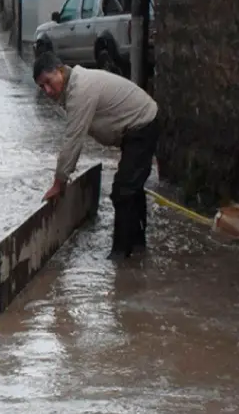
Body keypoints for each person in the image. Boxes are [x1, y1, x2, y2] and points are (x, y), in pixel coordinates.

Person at [34, 51, 161, 260]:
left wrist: (59, 182)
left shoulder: (80, 89)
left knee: (122, 191)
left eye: (48, 82)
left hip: (142, 125)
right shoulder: (73, 87)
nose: (47, 90)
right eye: (41, 87)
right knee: (132, 188)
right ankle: (138, 246)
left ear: (60, 71)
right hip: (137, 127)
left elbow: (73, 140)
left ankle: (120, 257)